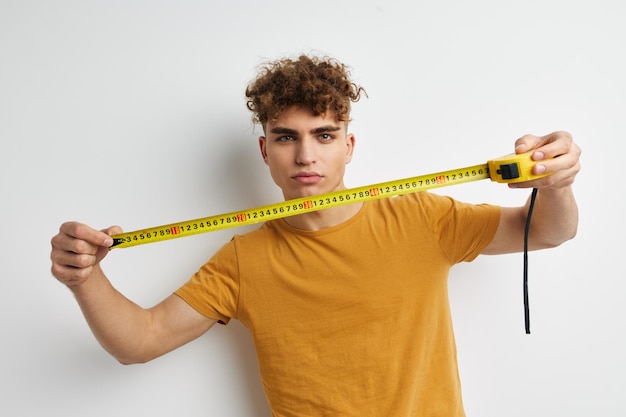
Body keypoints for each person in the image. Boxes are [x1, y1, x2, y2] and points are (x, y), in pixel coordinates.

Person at [50, 54, 581, 416]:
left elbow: (550, 232)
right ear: (265, 151)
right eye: (286, 137)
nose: (305, 155)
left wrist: (557, 182)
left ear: (348, 145)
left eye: (323, 135)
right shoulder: (242, 259)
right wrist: (84, 277)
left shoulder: (422, 218)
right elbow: (138, 342)